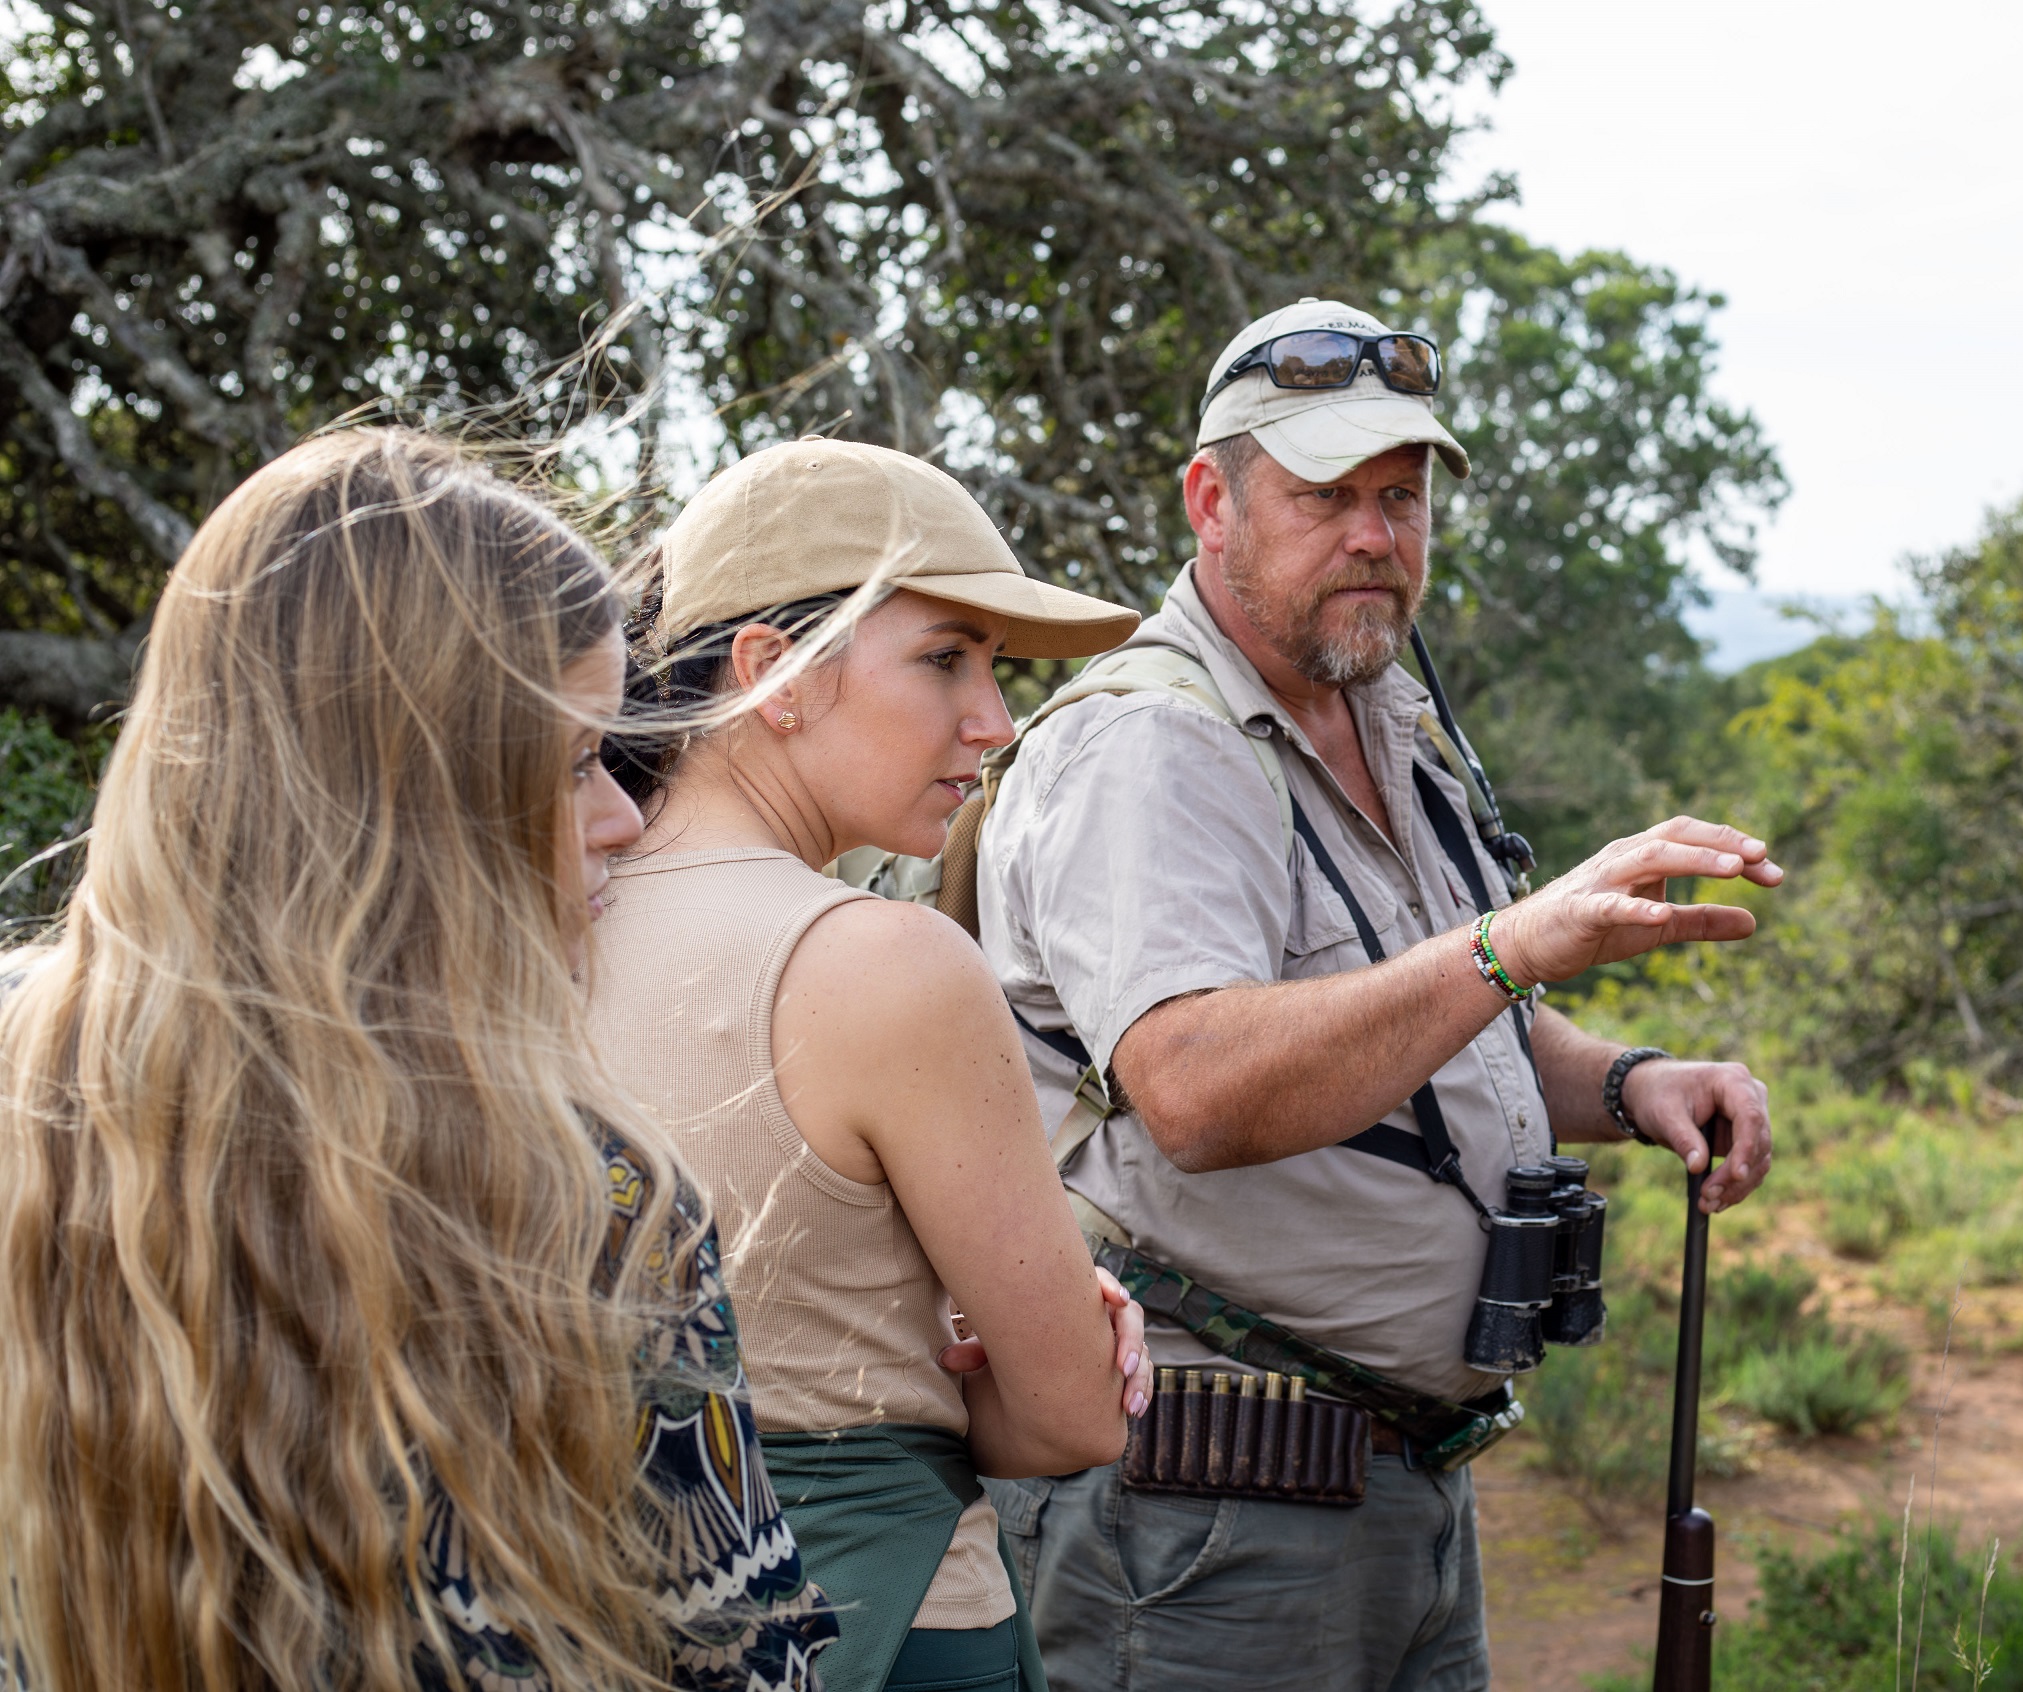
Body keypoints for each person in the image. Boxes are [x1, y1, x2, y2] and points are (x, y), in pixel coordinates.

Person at [971, 299, 1783, 1690]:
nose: (1374, 536)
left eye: (1400, 499)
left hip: (1398, 1491)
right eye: (1326, 496)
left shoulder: (1387, 722)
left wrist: (1632, 1082)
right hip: (1203, 1516)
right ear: (1210, 501)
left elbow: (1457, 1031)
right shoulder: (1153, 746)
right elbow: (1197, 1089)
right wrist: (1513, 945)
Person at [0, 429, 836, 1692]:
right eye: (568, 765)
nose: (621, 816)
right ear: (414, 805)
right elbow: (748, 1666)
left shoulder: (26, 1077)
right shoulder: (582, 1194)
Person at [589, 440, 1155, 1692]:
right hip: (885, 1628)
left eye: (995, 670)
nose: (995, 722)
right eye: (946, 657)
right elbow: (1074, 1416)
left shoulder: (526, 922)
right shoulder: (886, 962)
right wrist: (1027, 1344)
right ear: (771, 673)